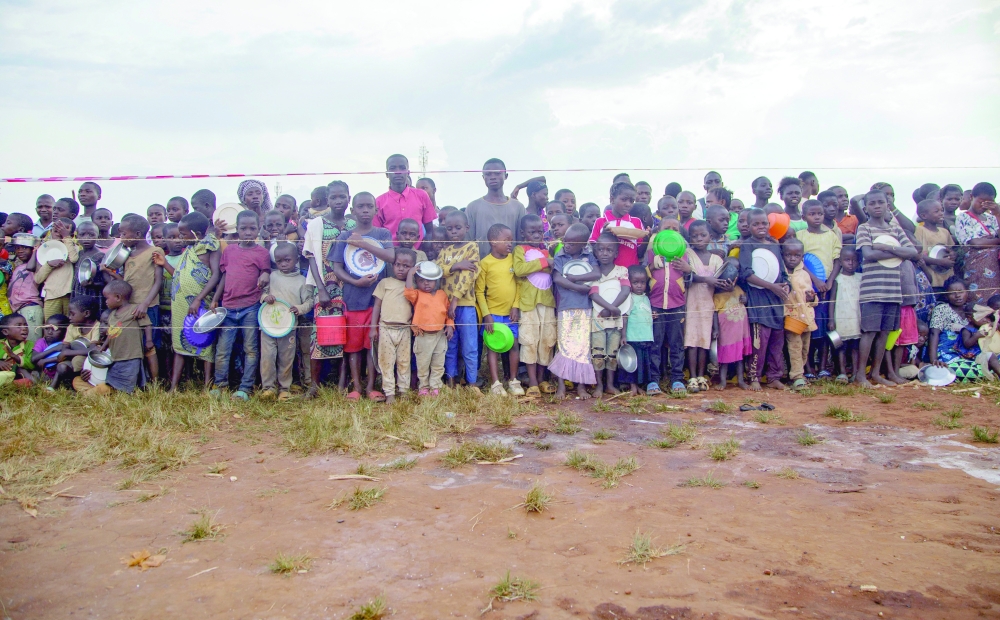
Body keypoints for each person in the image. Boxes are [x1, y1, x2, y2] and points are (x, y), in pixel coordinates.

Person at [332, 192, 395, 400]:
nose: (365, 210)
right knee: (354, 345)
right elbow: (337, 266)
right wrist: (354, 282)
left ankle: (371, 386)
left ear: (376, 210)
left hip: (376, 300)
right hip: (353, 298)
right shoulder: (344, 236)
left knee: (372, 345)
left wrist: (363, 244)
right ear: (353, 210)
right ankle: (356, 387)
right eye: (361, 206)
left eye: (369, 206)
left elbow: (390, 257)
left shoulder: (382, 233)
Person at [854, 188, 918, 387]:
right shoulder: (864, 228)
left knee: (885, 332)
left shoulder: (895, 229)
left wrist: (888, 248)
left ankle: (876, 373)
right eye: (872, 203)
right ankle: (860, 375)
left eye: (880, 202)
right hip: (872, 289)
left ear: (888, 204)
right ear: (865, 208)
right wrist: (898, 253)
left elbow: (912, 251)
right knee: (869, 332)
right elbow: (868, 255)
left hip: (893, 289)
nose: (877, 206)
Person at [302, 180, 355, 396]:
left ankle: (343, 382)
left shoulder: (353, 225)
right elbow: (311, 257)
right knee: (321, 332)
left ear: (348, 198)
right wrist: (321, 288)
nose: (338, 200)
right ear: (327, 201)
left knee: (347, 334)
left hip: (351, 287)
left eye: (342, 196)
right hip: (326, 287)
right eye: (333, 197)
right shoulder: (317, 224)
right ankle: (315, 384)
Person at [210, 210, 270, 400]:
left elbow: (266, 273)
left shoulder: (262, 253)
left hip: (250, 307)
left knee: (250, 349)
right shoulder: (229, 251)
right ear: (237, 229)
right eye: (243, 228)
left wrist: (264, 275)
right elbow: (224, 277)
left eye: (252, 228)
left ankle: (246, 387)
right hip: (227, 307)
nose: (248, 232)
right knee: (223, 350)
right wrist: (215, 299)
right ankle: (220, 385)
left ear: (258, 229)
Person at [165, 211, 221, 391]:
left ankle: (207, 385)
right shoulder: (189, 249)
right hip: (180, 303)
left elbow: (215, 275)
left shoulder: (211, 246)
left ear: (196, 233)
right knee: (179, 342)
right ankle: (174, 387)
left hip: (201, 303)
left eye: (183, 234)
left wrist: (198, 299)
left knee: (205, 341)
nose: (180, 238)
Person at [739, 209, 789, 391]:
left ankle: (774, 376)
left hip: (776, 300)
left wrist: (785, 285)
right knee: (759, 340)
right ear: (749, 226)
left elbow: (782, 272)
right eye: (756, 224)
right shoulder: (747, 245)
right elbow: (746, 274)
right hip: (758, 300)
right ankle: (755, 376)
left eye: (764, 223)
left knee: (777, 340)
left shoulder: (774, 245)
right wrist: (771, 286)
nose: (760, 227)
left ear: (769, 225)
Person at [549, 223, 600, 400]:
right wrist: (578, 288)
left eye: (571, 243)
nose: (567, 245)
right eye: (566, 241)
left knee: (583, 346)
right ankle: (561, 386)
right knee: (564, 345)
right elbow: (557, 278)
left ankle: (581, 386)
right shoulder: (561, 255)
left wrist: (576, 278)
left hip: (585, 308)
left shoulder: (589, 255)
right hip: (566, 307)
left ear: (583, 244)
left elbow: (596, 274)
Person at [259, 243, 315, 401]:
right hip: (268, 325)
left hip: (289, 327)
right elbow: (262, 294)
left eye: (287, 260)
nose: (283, 264)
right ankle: (268, 388)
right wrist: (266, 298)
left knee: (286, 357)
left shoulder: (302, 281)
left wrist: (299, 308)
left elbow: (309, 301)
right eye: (279, 261)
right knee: (268, 356)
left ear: (297, 260)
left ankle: (284, 388)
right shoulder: (272, 276)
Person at [476, 224, 524, 397]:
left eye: (511, 240)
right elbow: (479, 292)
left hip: (510, 314)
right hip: (493, 316)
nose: (510, 244)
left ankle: (513, 380)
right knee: (493, 348)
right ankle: (496, 383)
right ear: (493, 241)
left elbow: (519, 285)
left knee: (513, 346)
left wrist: (516, 306)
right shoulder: (485, 263)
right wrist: (487, 315)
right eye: (506, 240)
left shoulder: (513, 260)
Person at [434, 210, 480, 389]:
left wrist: (455, 299)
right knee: (450, 344)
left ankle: (472, 382)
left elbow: (469, 275)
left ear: (466, 228)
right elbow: (438, 269)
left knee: (470, 346)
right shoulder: (445, 251)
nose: (453, 232)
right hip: (446, 305)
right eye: (449, 228)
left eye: (458, 228)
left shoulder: (472, 247)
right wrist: (456, 266)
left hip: (465, 305)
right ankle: (451, 380)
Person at [513, 214, 557, 397]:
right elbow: (519, 270)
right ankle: (531, 381)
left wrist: (543, 263)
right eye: (532, 232)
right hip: (528, 303)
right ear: (523, 233)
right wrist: (544, 263)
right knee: (529, 340)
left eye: (540, 231)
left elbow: (553, 268)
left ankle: (542, 378)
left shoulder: (547, 251)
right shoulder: (519, 250)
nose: (537, 235)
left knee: (546, 340)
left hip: (547, 302)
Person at [114, 214, 164, 378]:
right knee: (135, 345)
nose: (121, 237)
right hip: (130, 307)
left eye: (123, 233)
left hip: (147, 306)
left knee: (149, 345)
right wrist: (110, 273)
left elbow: (158, 282)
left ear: (137, 234)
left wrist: (145, 303)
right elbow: (126, 284)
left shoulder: (154, 251)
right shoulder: (127, 255)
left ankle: (155, 383)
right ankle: (141, 380)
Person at [797, 199, 842, 377]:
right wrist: (815, 279)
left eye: (820, 214)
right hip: (807, 288)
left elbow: (837, 260)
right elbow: (799, 259)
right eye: (812, 214)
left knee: (824, 329)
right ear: (804, 216)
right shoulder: (800, 236)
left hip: (826, 288)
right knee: (808, 328)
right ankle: (807, 368)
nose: (817, 217)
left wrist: (829, 281)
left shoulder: (831, 235)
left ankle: (823, 366)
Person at [681, 220, 724, 393]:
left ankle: (700, 375)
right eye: (695, 236)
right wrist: (706, 279)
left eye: (703, 235)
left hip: (708, 305)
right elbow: (686, 276)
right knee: (691, 341)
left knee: (704, 342)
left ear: (710, 237)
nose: (699, 239)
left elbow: (720, 281)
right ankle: (691, 376)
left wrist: (726, 284)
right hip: (691, 303)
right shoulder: (687, 254)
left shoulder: (716, 259)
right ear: (689, 238)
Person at [646, 218, 688, 394]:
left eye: (675, 229)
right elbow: (643, 273)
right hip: (655, 305)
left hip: (676, 305)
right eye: (667, 228)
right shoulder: (652, 251)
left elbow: (690, 277)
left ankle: (677, 379)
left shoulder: (684, 252)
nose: (671, 231)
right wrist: (651, 266)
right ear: (659, 231)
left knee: (676, 344)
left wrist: (688, 268)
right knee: (655, 343)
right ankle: (653, 381)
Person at [369, 249, 416, 404]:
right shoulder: (385, 283)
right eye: (397, 264)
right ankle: (389, 392)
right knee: (386, 362)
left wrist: (411, 277)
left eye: (406, 266)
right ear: (392, 265)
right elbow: (377, 306)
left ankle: (403, 390)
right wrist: (373, 327)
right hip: (386, 328)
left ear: (413, 268)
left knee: (404, 362)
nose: (401, 268)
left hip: (404, 329)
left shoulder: (412, 287)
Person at [589, 233, 629, 398]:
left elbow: (626, 290)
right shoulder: (594, 271)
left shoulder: (621, 271)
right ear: (595, 251)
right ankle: (599, 385)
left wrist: (613, 308)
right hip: (598, 319)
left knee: (612, 352)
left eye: (609, 250)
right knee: (598, 352)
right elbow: (594, 294)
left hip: (615, 319)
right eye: (601, 249)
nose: (604, 253)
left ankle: (610, 384)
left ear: (616, 253)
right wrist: (609, 308)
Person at [405, 261, 454, 395]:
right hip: (423, 335)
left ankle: (436, 386)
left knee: (438, 362)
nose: (426, 283)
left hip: (440, 335)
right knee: (423, 363)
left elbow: (449, 312)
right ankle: (424, 387)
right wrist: (410, 273)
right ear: (417, 282)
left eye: (430, 281)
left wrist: (450, 325)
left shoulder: (442, 295)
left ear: (436, 281)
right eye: (422, 281)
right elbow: (408, 292)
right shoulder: (417, 294)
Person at [929, 278, 991, 381]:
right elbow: (933, 334)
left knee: (992, 360)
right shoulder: (941, 309)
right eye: (952, 293)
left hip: (971, 353)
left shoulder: (972, 310)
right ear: (946, 295)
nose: (957, 296)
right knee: (952, 369)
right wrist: (933, 359)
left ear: (967, 292)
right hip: (949, 354)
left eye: (961, 292)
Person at [466, 158, 526, 258]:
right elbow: (468, 241)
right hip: (481, 268)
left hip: (510, 268)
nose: (492, 177)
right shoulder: (473, 207)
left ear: (506, 176)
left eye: (497, 173)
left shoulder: (518, 207)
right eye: (488, 174)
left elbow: (521, 242)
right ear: (483, 177)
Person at [101, 280, 153, 394]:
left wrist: (149, 340)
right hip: (116, 355)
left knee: (129, 377)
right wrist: (103, 348)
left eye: (107, 298)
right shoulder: (112, 315)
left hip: (131, 354)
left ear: (118, 297)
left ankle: (129, 392)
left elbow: (147, 324)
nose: (105, 301)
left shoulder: (134, 310)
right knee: (114, 378)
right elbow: (110, 334)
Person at [954, 182, 1000, 304]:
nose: (984, 206)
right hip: (977, 264)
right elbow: (975, 243)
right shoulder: (963, 217)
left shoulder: (992, 218)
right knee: (981, 301)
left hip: (996, 264)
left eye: (989, 203)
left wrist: (997, 214)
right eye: (981, 201)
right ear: (971, 197)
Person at [375, 154, 436, 244]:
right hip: (390, 253)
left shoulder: (421, 195)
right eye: (393, 168)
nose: (398, 172)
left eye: (402, 168)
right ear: (387, 174)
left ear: (408, 172)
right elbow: (377, 234)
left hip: (418, 253)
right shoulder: (379, 201)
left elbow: (430, 231)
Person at [782, 238, 817, 390]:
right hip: (792, 318)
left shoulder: (804, 274)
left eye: (797, 256)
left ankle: (799, 373)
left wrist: (812, 298)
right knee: (794, 347)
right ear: (783, 255)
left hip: (807, 317)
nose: (792, 258)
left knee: (804, 348)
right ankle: (796, 376)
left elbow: (812, 298)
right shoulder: (781, 273)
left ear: (802, 257)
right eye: (788, 255)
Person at [712, 257, 750, 391]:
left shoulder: (738, 288)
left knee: (739, 357)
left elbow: (745, 300)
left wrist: (745, 300)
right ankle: (723, 381)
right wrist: (715, 329)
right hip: (726, 331)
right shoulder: (717, 295)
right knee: (724, 358)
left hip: (740, 330)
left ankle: (741, 380)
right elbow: (715, 313)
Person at [617, 265, 655, 395]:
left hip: (646, 336)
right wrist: (623, 335)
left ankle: (639, 386)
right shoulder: (629, 298)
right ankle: (632, 386)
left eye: (642, 282)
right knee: (632, 364)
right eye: (635, 282)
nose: (639, 286)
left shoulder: (646, 298)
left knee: (642, 364)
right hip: (633, 337)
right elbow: (625, 317)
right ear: (630, 283)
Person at [589, 182, 644, 268]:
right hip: (606, 274)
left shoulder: (636, 222)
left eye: (631, 201)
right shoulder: (600, 221)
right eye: (624, 199)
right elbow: (593, 250)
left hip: (630, 273)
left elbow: (640, 252)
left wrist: (647, 237)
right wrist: (604, 235)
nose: (628, 204)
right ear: (612, 199)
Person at [33, 218, 78, 320]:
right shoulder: (44, 250)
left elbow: (74, 258)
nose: (58, 233)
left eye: (63, 230)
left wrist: (66, 237)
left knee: (69, 325)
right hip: (51, 296)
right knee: (51, 325)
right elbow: (37, 279)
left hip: (68, 294)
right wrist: (49, 264)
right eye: (55, 230)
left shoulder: (73, 247)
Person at [828, 247, 862, 383]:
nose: (851, 263)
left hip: (856, 318)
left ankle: (854, 372)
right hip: (840, 318)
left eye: (854, 260)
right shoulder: (837, 279)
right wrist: (831, 319)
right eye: (847, 260)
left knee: (855, 347)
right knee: (840, 346)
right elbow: (832, 301)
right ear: (840, 262)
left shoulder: (860, 278)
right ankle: (841, 372)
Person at [53, 296, 100, 388]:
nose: (69, 317)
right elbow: (65, 346)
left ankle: (78, 384)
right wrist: (66, 351)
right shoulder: (72, 327)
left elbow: (93, 350)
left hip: (89, 363)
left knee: (77, 360)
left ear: (86, 313)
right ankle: (70, 384)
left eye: (72, 314)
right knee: (61, 367)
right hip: (72, 359)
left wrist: (67, 352)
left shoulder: (97, 327)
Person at [914, 198, 956, 290]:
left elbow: (950, 249)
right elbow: (917, 255)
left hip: (947, 278)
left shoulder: (944, 232)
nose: (941, 213)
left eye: (942, 210)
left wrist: (952, 255)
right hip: (931, 278)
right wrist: (940, 262)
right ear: (924, 215)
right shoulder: (919, 230)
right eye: (936, 211)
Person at [7, 236, 44, 338]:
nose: (20, 251)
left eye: (24, 247)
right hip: (19, 309)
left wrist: (36, 251)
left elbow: (30, 267)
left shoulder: (38, 263)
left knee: (31, 342)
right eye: (17, 248)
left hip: (30, 308)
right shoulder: (18, 265)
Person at [31, 314, 68, 386]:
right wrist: (54, 349)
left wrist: (45, 360)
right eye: (47, 328)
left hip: (60, 375)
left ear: (65, 330)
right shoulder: (41, 342)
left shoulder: (66, 342)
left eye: (54, 329)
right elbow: (33, 359)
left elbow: (65, 357)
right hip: (44, 374)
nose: (49, 332)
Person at [0, 314, 35, 387]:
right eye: (19, 325)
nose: (24, 328)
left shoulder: (30, 345)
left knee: (23, 372)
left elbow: (32, 364)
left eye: (25, 325)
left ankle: (11, 385)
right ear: (5, 332)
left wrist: (14, 356)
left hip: (18, 375)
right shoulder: (1, 344)